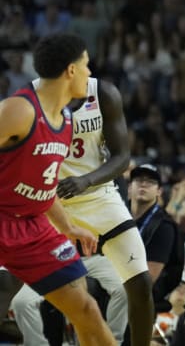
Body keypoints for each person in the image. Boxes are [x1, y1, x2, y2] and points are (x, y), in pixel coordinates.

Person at [0, 33, 115, 345]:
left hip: (34, 228)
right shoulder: (19, 110)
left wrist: (69, 227)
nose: (91, 73)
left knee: (87, 310)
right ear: (71, 70)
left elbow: (43, 185)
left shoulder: (65, 119)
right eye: (87, 65)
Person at [39, 75, 155, 346]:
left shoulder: (102, 92)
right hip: (50, 201)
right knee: (16, 290)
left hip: (97, 196)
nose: (86, 69)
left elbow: (122, 156)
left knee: (140, 283)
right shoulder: (31, 100)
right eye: (80, 63)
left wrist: (86, 180)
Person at [128, 164, 185, 314]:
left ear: (159, 191)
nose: (144, 184)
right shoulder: (118, 214)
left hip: (148, 289)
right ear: (129, 188)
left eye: (151, 182)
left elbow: (149, 277)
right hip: (116, 276)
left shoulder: (163, 225)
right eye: (139, 180)